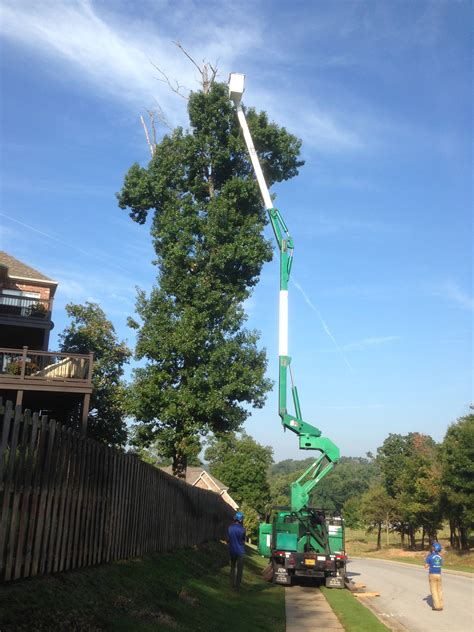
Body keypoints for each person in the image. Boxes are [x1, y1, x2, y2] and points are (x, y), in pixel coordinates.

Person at [228, 511, 246, 591]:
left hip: (232, 550)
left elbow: (229, 539)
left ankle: (231, 584)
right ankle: (237, 587)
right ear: (241, 520)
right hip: (240, 552)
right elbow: (243, 541)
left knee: (232, 567)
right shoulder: (243, 530)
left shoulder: (230, 527)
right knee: (239, 570)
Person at [424, 541, 443, 611]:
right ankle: (441, 605)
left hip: (432, 574)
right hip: (439, 574)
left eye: (432, 547)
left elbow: (425, 566)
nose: (431, 548)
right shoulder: (440, 557)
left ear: (434, 548)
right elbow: (440, 565)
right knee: (439, 590)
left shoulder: (430, 556)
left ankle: (437, 606)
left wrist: (427, 562)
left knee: (434, 590)